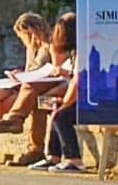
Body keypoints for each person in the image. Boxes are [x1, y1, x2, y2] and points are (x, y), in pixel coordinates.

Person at [0, 12, 55, 164]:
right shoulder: (31, 47)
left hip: (38, 89)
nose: (27, 40)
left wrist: (28, 75)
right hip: (26, 86)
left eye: (27, 35)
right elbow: (31, 70)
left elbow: (51, 71)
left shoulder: (51, 46)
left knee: (6, 104)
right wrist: (20, 73)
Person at [28, 13, 84, 172]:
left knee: (61, 114)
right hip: (87, 97)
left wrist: (66, 103)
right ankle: (53, 156)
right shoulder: (74, 51)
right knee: (55, 107)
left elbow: (77, 82)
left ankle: (74, 159)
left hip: (96, 101)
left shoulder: (82, 50)